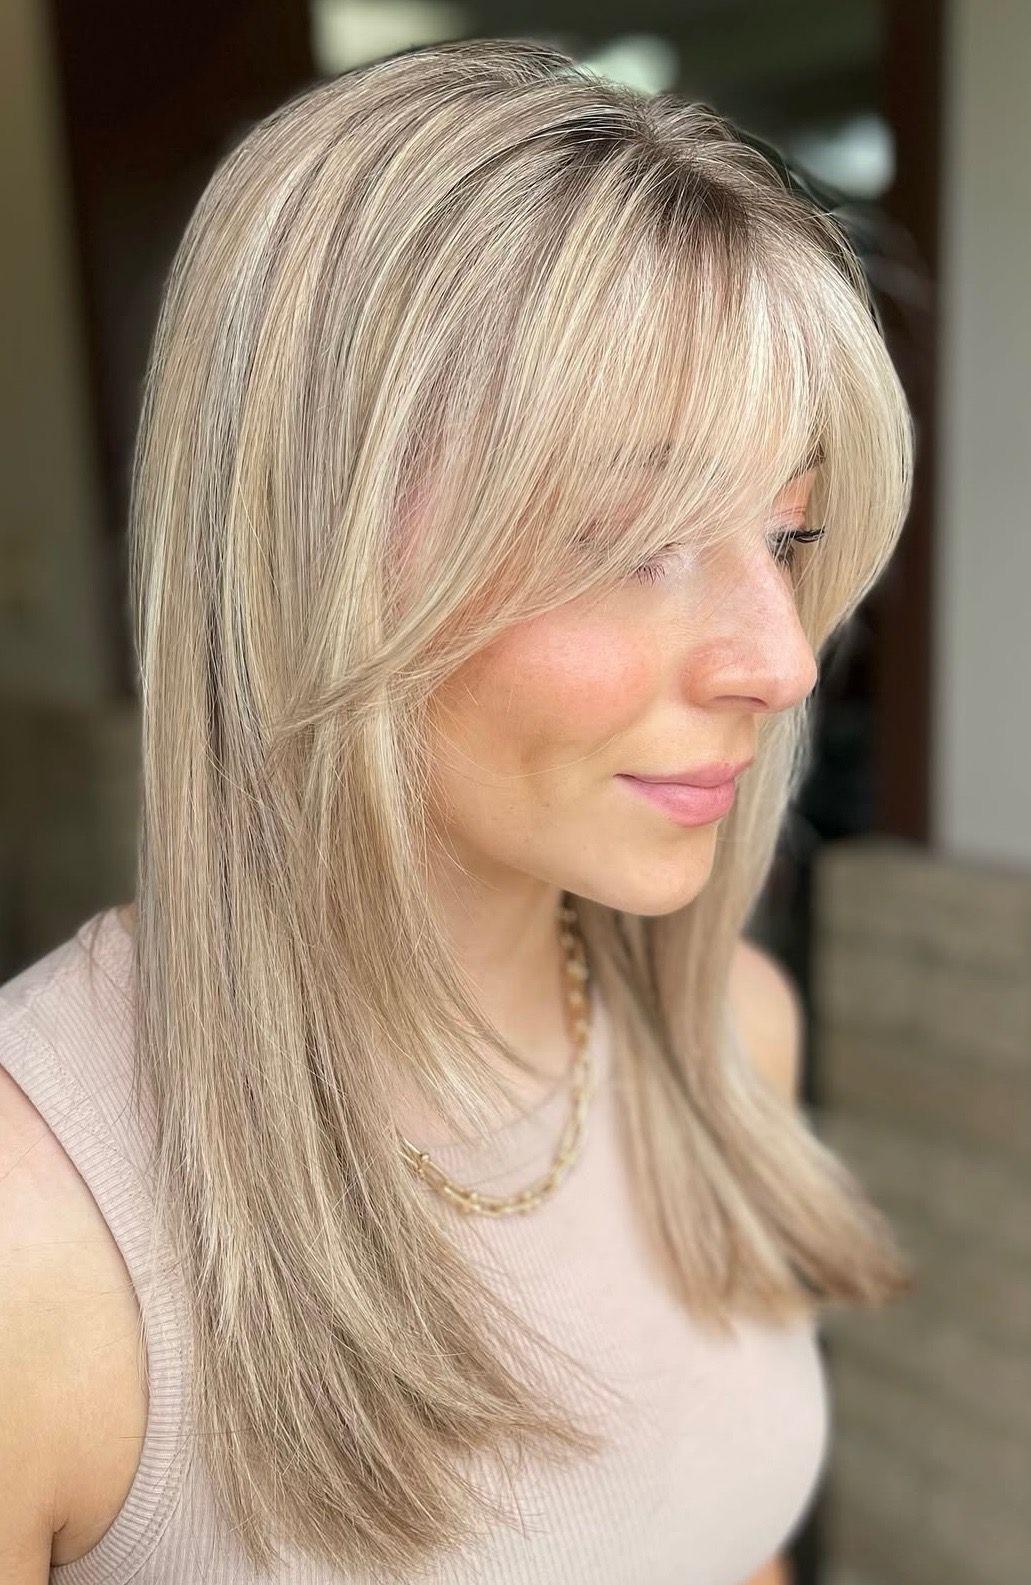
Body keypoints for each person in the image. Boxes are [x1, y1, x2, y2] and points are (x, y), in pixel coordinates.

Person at [0, 34, 915, 1585]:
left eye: (789, 531)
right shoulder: (42, 1246)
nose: (780, 658)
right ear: (314, 557)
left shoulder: (729, 1042)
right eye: (633, 538)